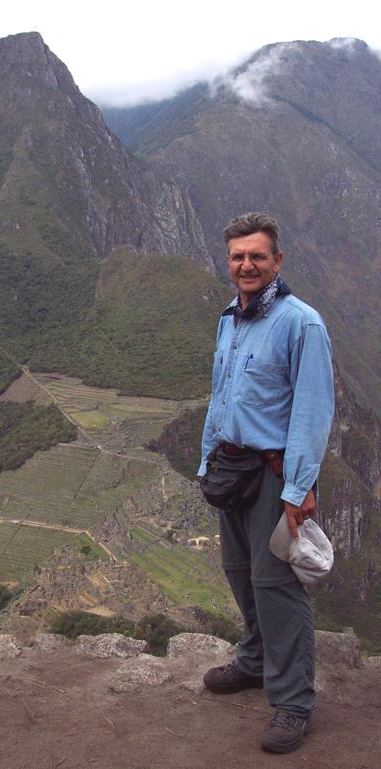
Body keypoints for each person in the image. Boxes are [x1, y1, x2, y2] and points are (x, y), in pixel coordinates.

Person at [198, 212, 334, 754]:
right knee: (239, 573)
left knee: (277, 585)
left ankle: (293, 701)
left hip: (273, 474)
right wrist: (208, 460)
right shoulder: (230, 320)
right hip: (230, 469)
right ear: (228, 263)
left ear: (277, 260)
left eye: (257, 256)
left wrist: (299, 488)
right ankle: (254, 662)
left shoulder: (303, 324)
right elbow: (221, 396)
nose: (246, 265)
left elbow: (313, 410)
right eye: (237, 257)